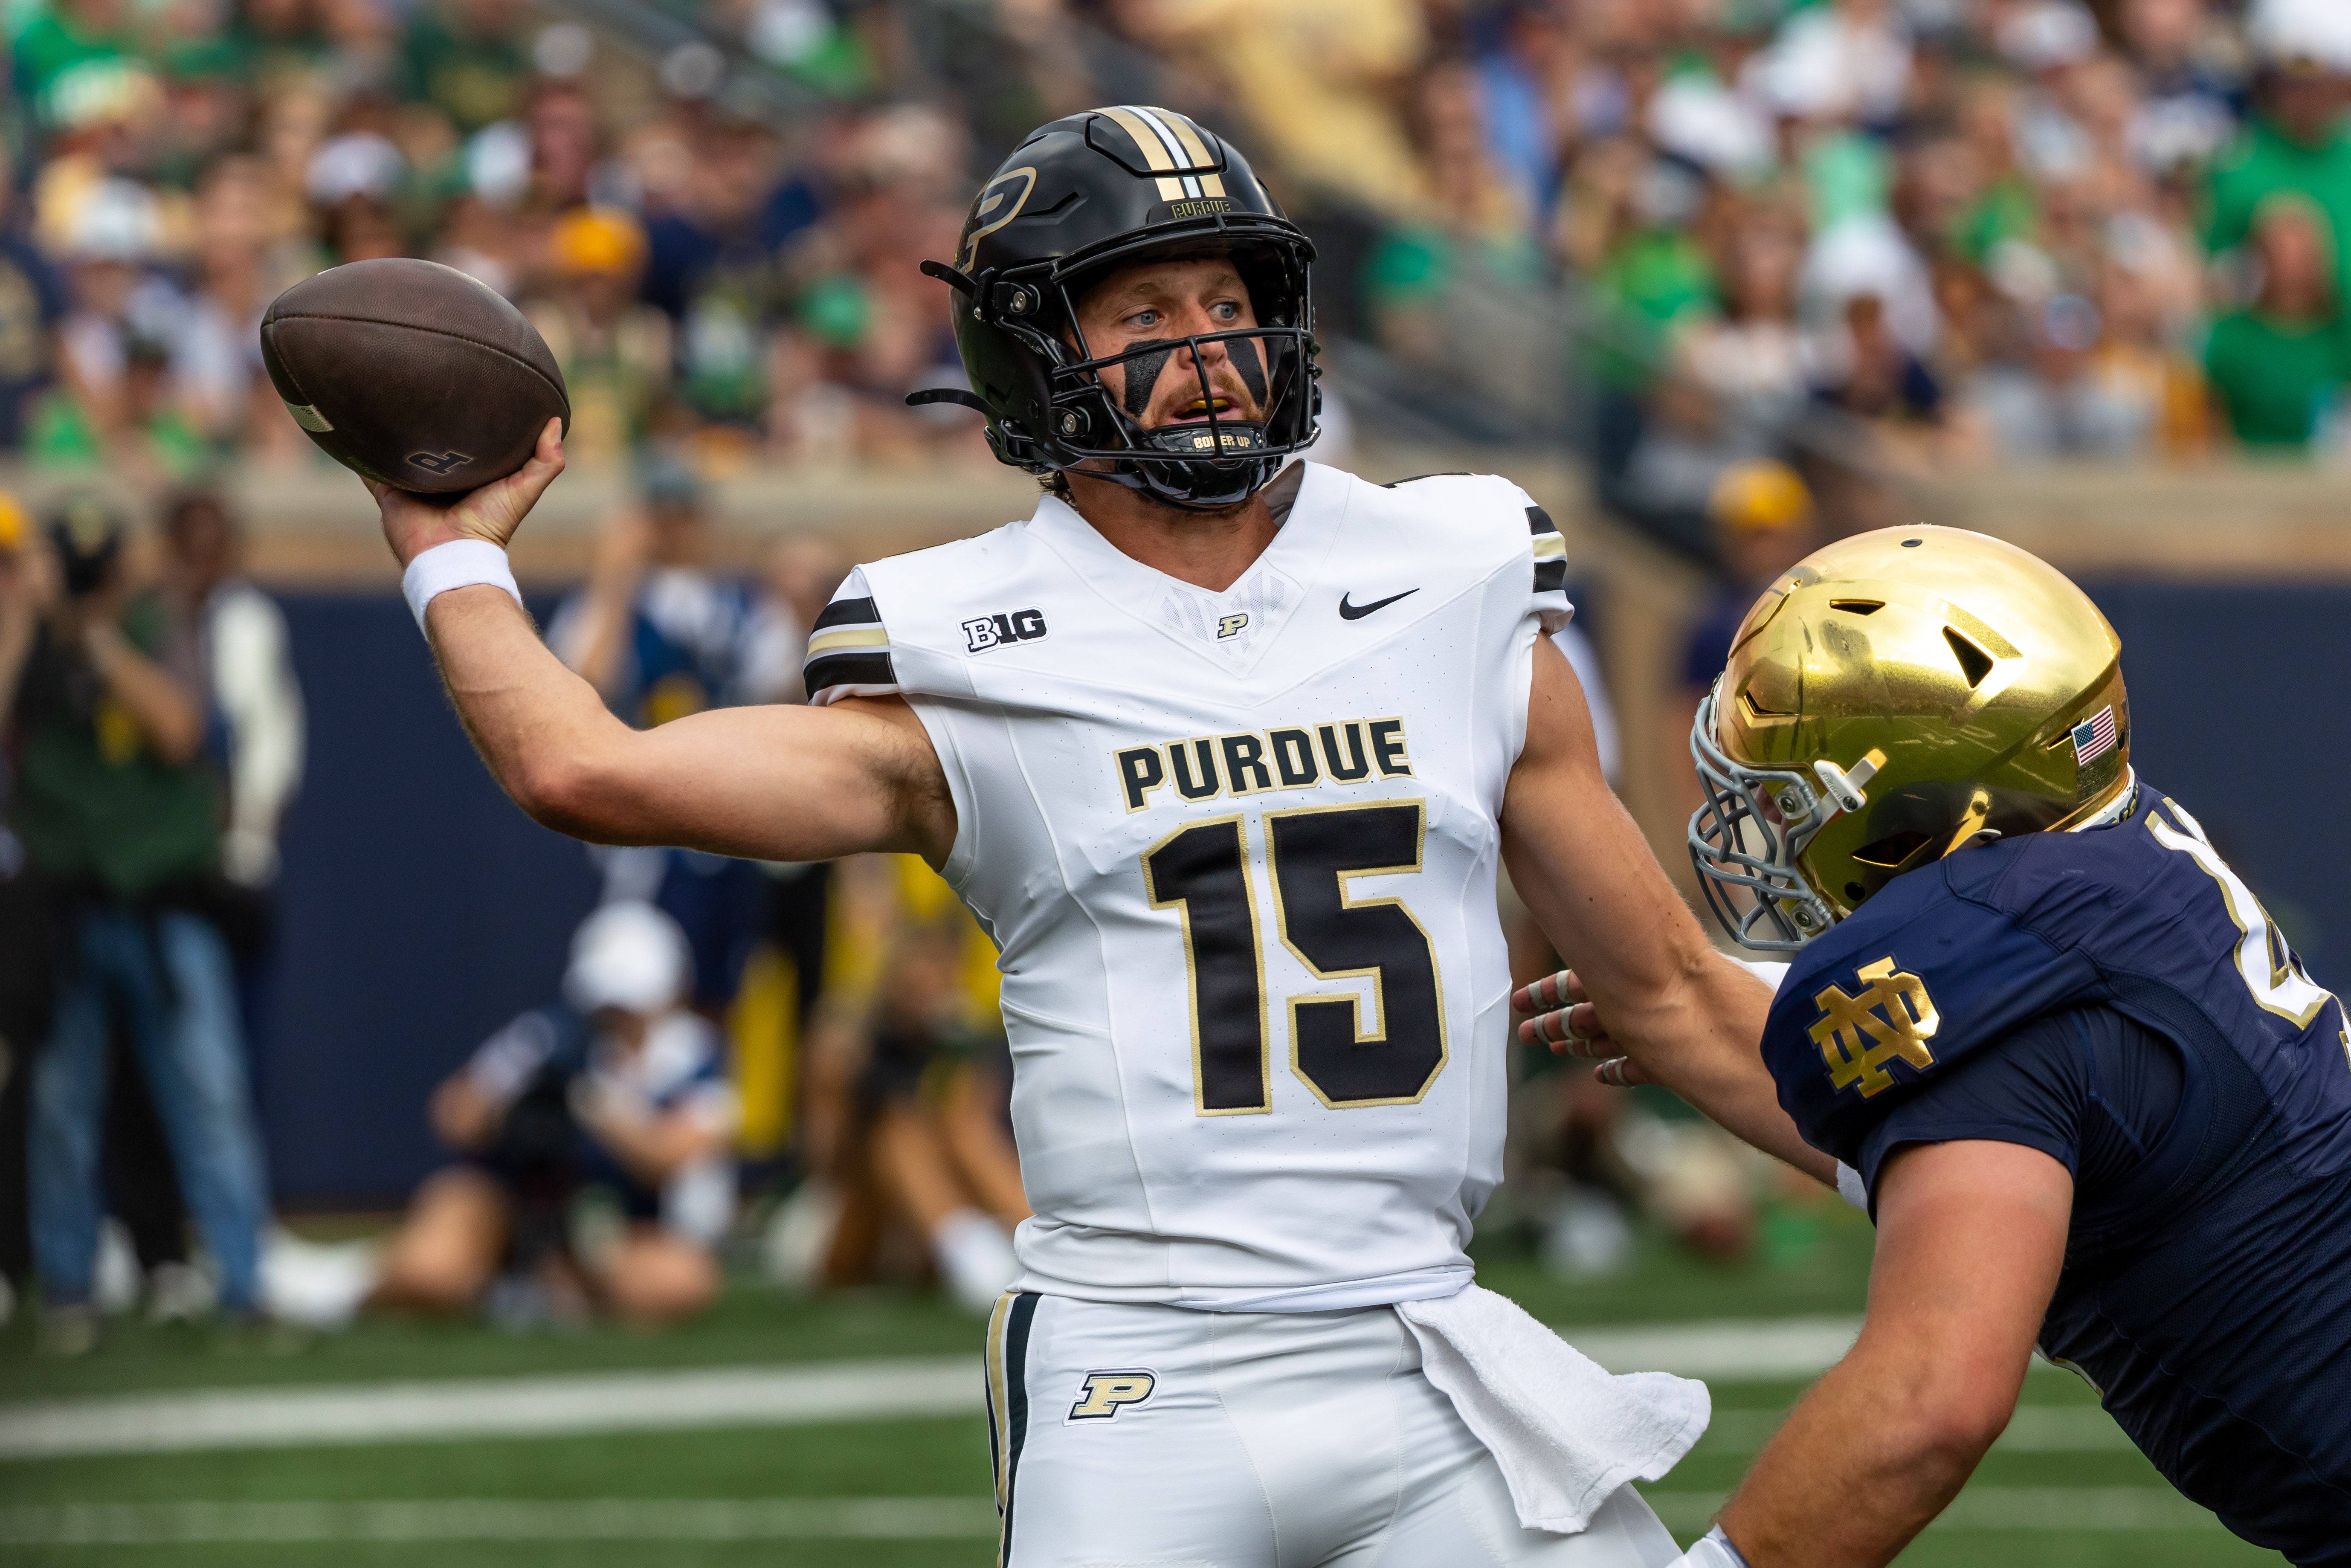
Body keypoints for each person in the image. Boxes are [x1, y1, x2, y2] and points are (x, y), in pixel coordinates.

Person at [369, 107, 1833, 1565]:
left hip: (1423, 1347)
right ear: (1036, 352)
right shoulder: (968, 641)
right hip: (1144, 1377)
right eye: (1145, 308)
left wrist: (1933, 1164)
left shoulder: (1451, 574)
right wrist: (451, 549)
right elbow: (584, 771)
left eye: (1229, 300)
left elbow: (1672, 994)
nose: (1207, 341)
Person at [1522, 528, 2351, 1566]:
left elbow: (1928, 1400)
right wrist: (1688, 1010)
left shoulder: (1988, 983)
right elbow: (1701, 1007)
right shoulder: (2105, 859)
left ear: (1905, 798)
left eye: (1786, 799)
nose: (1755, 828)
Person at [0, 495, 270, 1352]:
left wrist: (102, 637)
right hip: (72, 907)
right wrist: (30, 613)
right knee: (59, 1108)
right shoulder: (30, 640)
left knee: (209, 1096)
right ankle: (71, 1289)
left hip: (164, 902)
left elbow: (181, 727)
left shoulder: (162, 622)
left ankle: (242, 1284)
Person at [370, 901, 737, 1327]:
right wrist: (512, 1112)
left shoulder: (698, 1056)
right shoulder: (549, 1037)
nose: (616, 1015)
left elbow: (673, 1154)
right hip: (516, 1208)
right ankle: (369, 1280)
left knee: (676, 1284)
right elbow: (454, 1114)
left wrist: (592, 1108)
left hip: (622, 1224)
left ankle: (561, 1285)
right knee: (430, 1272)